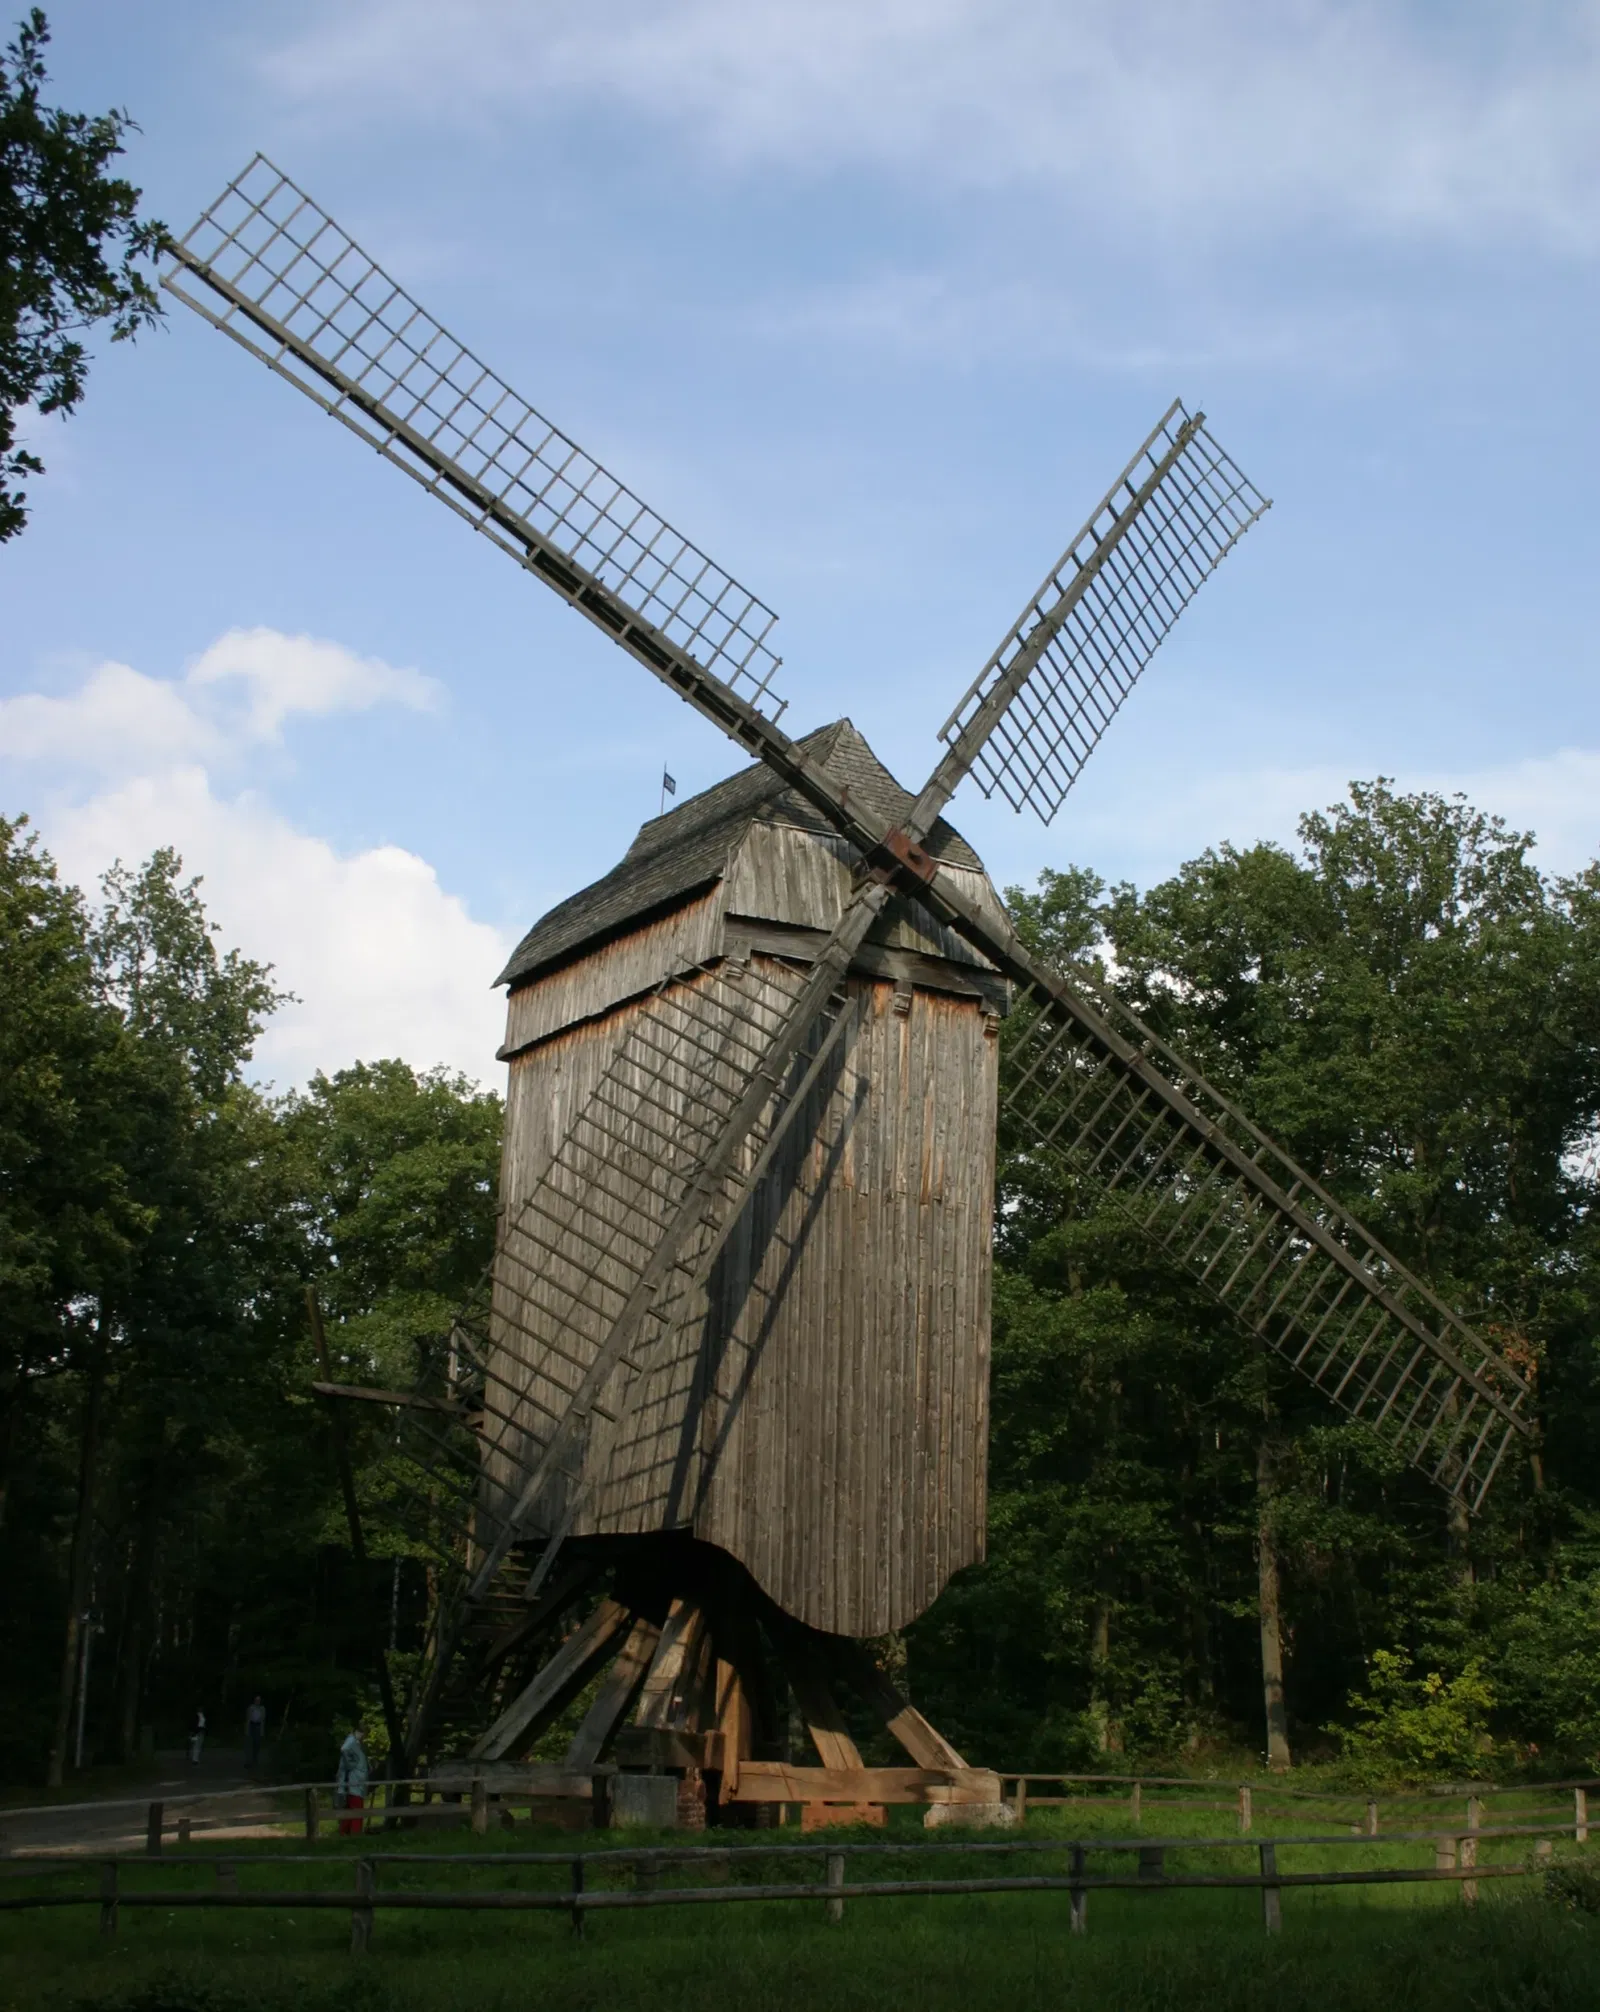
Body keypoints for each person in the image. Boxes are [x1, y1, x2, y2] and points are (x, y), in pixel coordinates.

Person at [336, 1726, 369, 1836]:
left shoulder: (356, 1744)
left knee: (351, 1809)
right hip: (355, 1783)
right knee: (356, 1809)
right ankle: (355, 1833)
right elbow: (344, 1749)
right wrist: (350, 1764)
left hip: (356, 1783)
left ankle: (344, 1832)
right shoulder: (351, 1741)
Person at [245, 1696, 266, 1768]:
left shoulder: (262, 1709)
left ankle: (255, 1759)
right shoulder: (251, 1708)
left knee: (257, 1743)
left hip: (258, 1726)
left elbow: (263, 1719)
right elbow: (248, 1718)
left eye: (259, 1700)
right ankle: (249, 1761)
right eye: (256, 1700)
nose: (257, 1701)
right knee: (250, 1743)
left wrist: (262, 1732)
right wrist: (247, 1729)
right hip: (252, 1726)